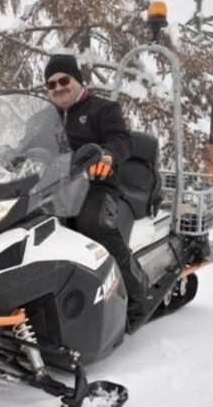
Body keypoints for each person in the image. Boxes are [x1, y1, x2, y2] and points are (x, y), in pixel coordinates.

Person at [43, 54, 149, 324]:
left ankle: (138, 292)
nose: (58, 88)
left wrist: (108, 155)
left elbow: (122, 140)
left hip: (95, 185)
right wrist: (0, 153)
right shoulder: (44, 118)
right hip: (51, 189)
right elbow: (24, 146)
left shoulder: (102, 109)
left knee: (94, 225)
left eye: (63, 80)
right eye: (51, 85)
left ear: (77, 80)